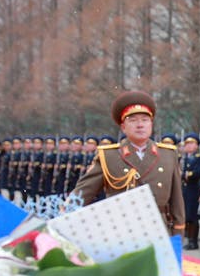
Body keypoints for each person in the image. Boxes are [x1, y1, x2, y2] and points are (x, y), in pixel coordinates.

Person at [72, 90, 185, 236]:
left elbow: (177, 201)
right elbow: (82, 193)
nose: (140, 125)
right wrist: (58, 224)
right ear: (123, 127)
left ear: (151, 124)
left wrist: (178, 233)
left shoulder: (168, 155)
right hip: (120, 231)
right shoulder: (109, 156)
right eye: (133, 120)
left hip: (158, 230)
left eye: (145, 120)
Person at [181, 133, 200, 250]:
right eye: (187, 143)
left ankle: (193, 241)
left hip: (193, 190)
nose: (189, 146)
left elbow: (198, 173)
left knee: (193, 217)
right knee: (186, 216)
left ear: (196, 146)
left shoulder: (199, 159)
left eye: (192, 143)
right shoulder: (183, 159)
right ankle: (189, 239)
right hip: (184, 190)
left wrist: (186, 174)